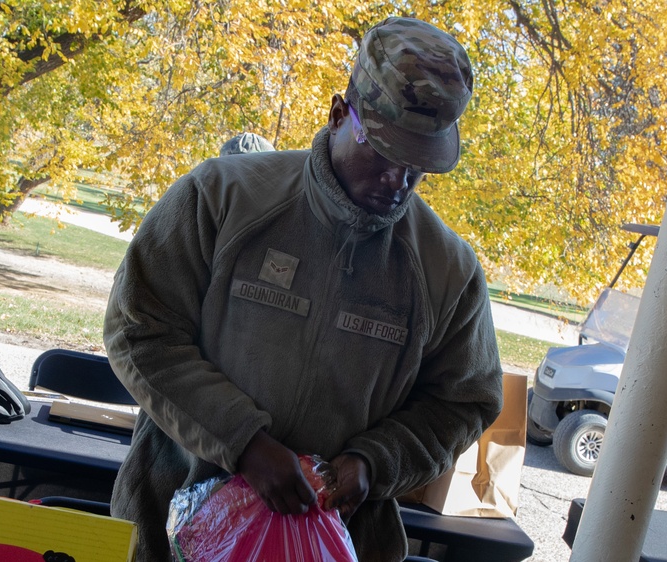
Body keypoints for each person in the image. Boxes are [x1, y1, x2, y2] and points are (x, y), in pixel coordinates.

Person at [104, 16, 504, 562]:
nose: (399, 181)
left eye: (418, 165)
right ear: (340, 113)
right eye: (384, 153)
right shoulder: (222, 198)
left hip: (336, 542)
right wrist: (244, 442)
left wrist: (373, 462)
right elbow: (138, 331)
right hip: (175, 527)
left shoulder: (446, 269)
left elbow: (463, 403)